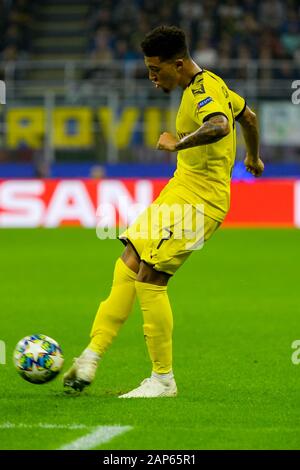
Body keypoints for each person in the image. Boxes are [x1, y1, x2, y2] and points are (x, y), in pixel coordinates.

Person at [63, 26, 264, 398]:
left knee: (151, 278)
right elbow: (247, 117)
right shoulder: (209, 86)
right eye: (148, 70)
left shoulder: (204, 89)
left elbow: (220, 125)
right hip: (180, 190)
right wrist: (251, 156)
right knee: (128, 261)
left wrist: (179, 143)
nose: (152, 78)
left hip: (202, 202)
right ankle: (91, 355)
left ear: (178, 63)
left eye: (156, 70)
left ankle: (162, 379)